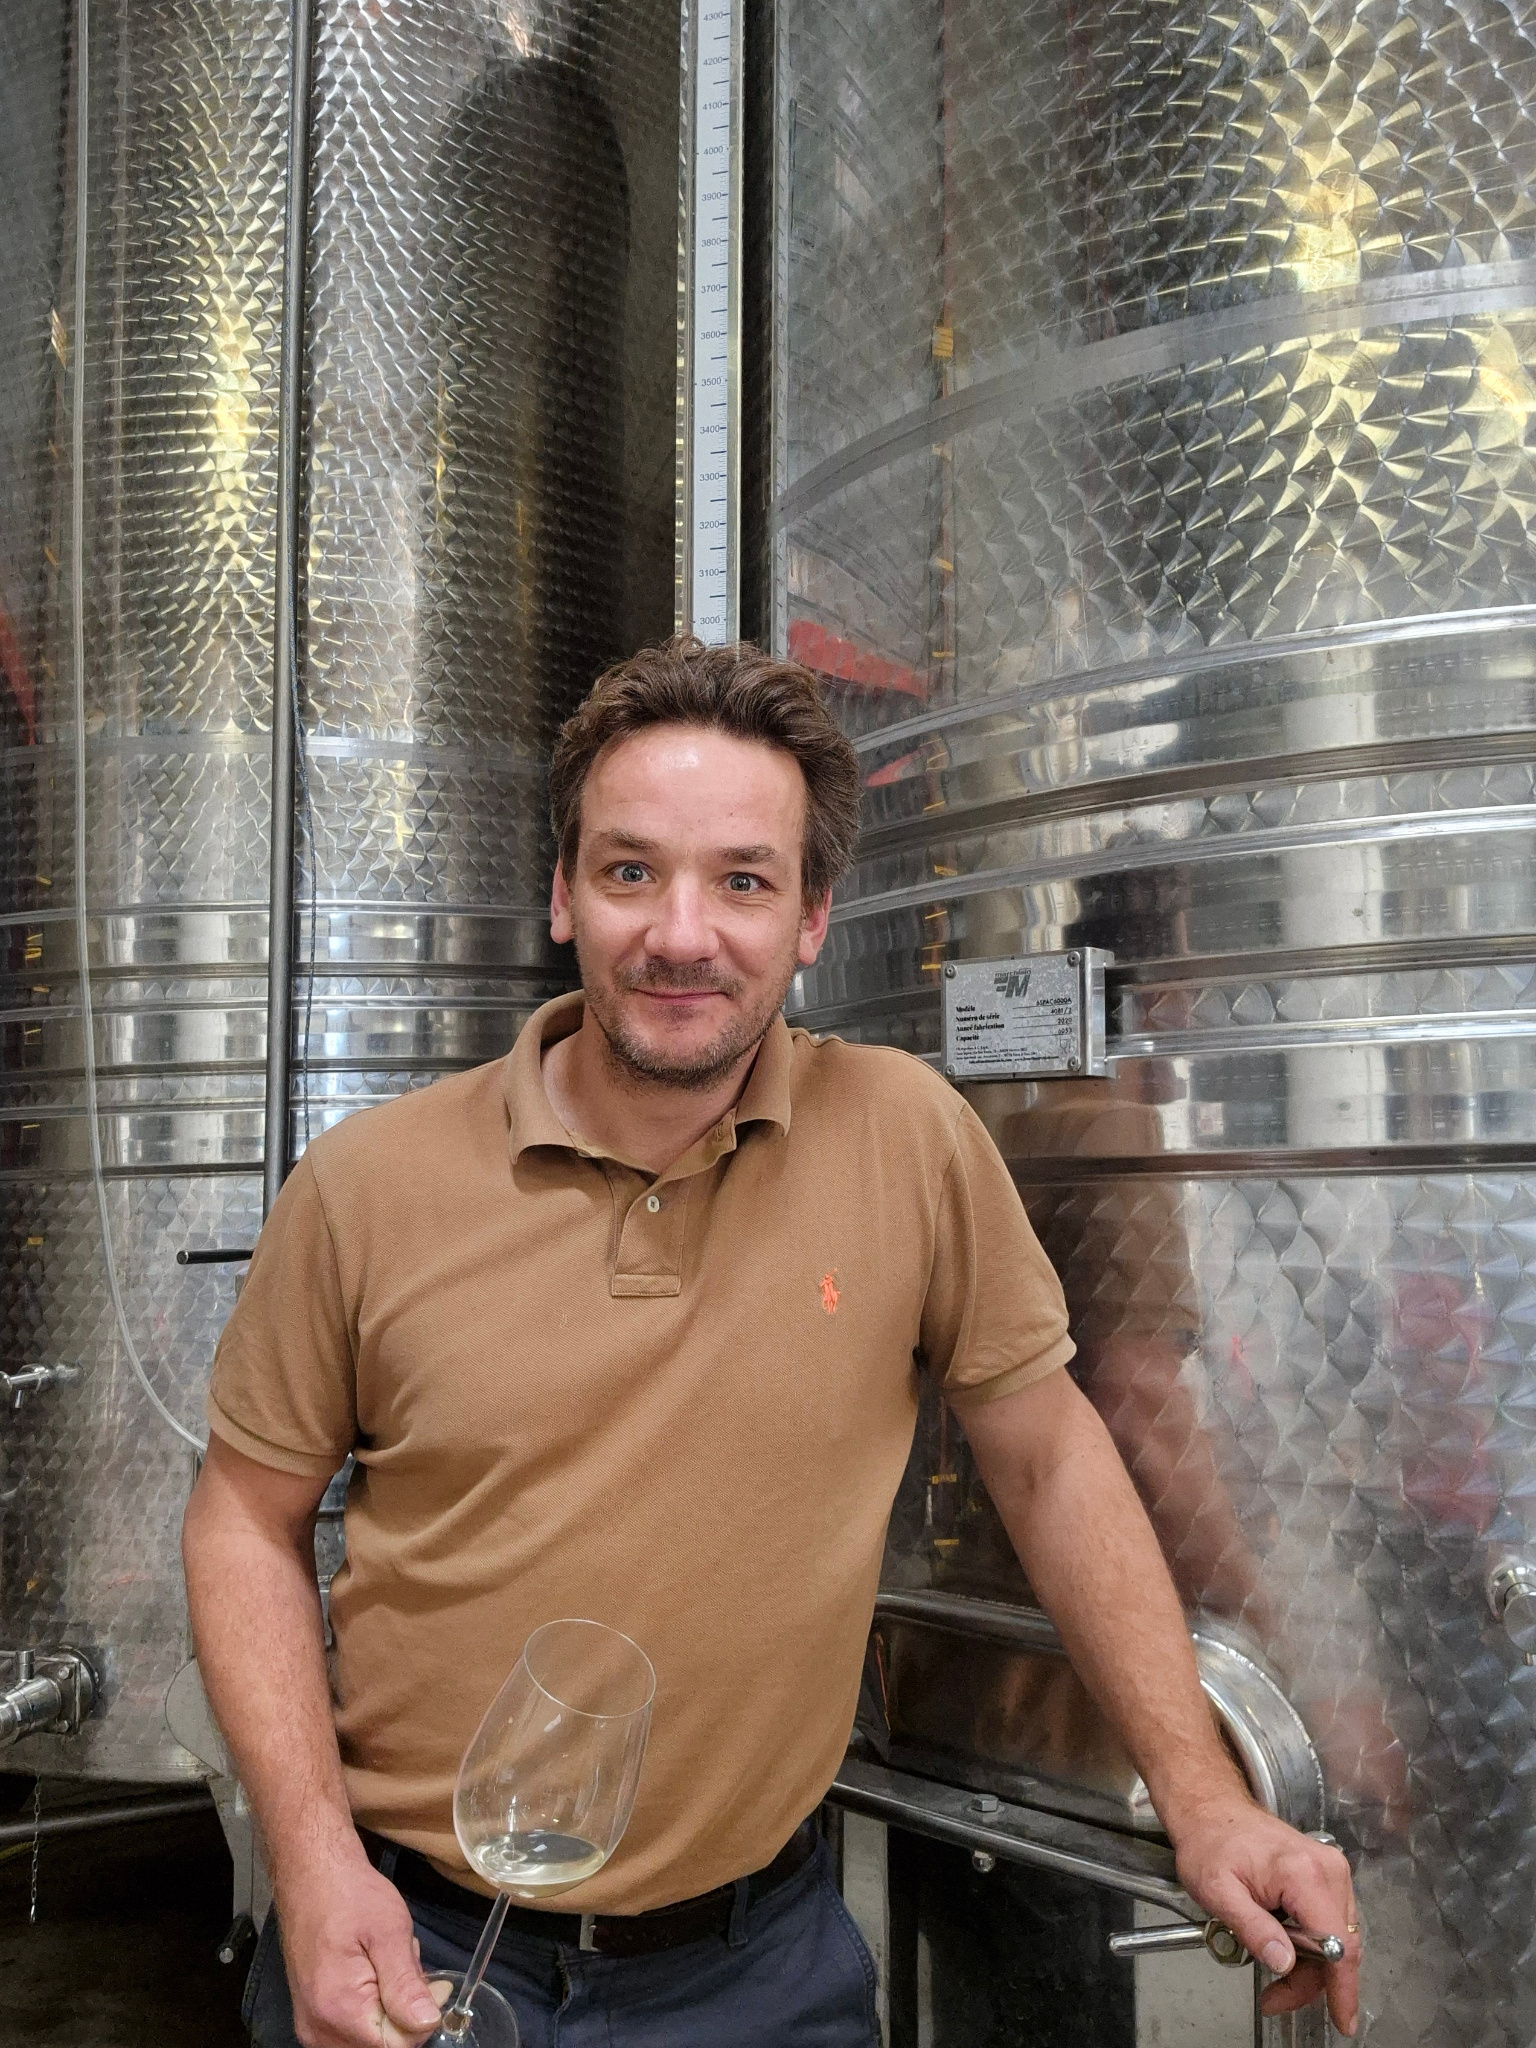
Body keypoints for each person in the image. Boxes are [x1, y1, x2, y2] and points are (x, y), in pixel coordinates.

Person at [183, 636, 1362, 2048]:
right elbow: (243, 1519)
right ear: (562, 894)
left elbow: (1051, 1459)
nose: (683, 935)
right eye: (631, 871)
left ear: (812, 916)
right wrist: (311, 1866)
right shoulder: (369, 1187)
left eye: (743, 880)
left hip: (760, 1975)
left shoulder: (909, 1140)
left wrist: (1206, 1795)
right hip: (419, 1947)